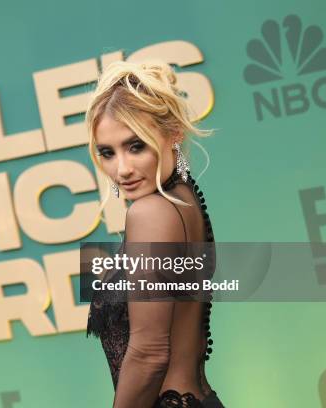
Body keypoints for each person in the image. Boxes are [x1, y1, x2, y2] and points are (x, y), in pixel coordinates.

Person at [84, 60, 225, 408]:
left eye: (136, 146)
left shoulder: (150, 212)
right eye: (107, 152)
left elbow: (149, 354)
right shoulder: (183, 200)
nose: (122, 169)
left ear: (173, 133)